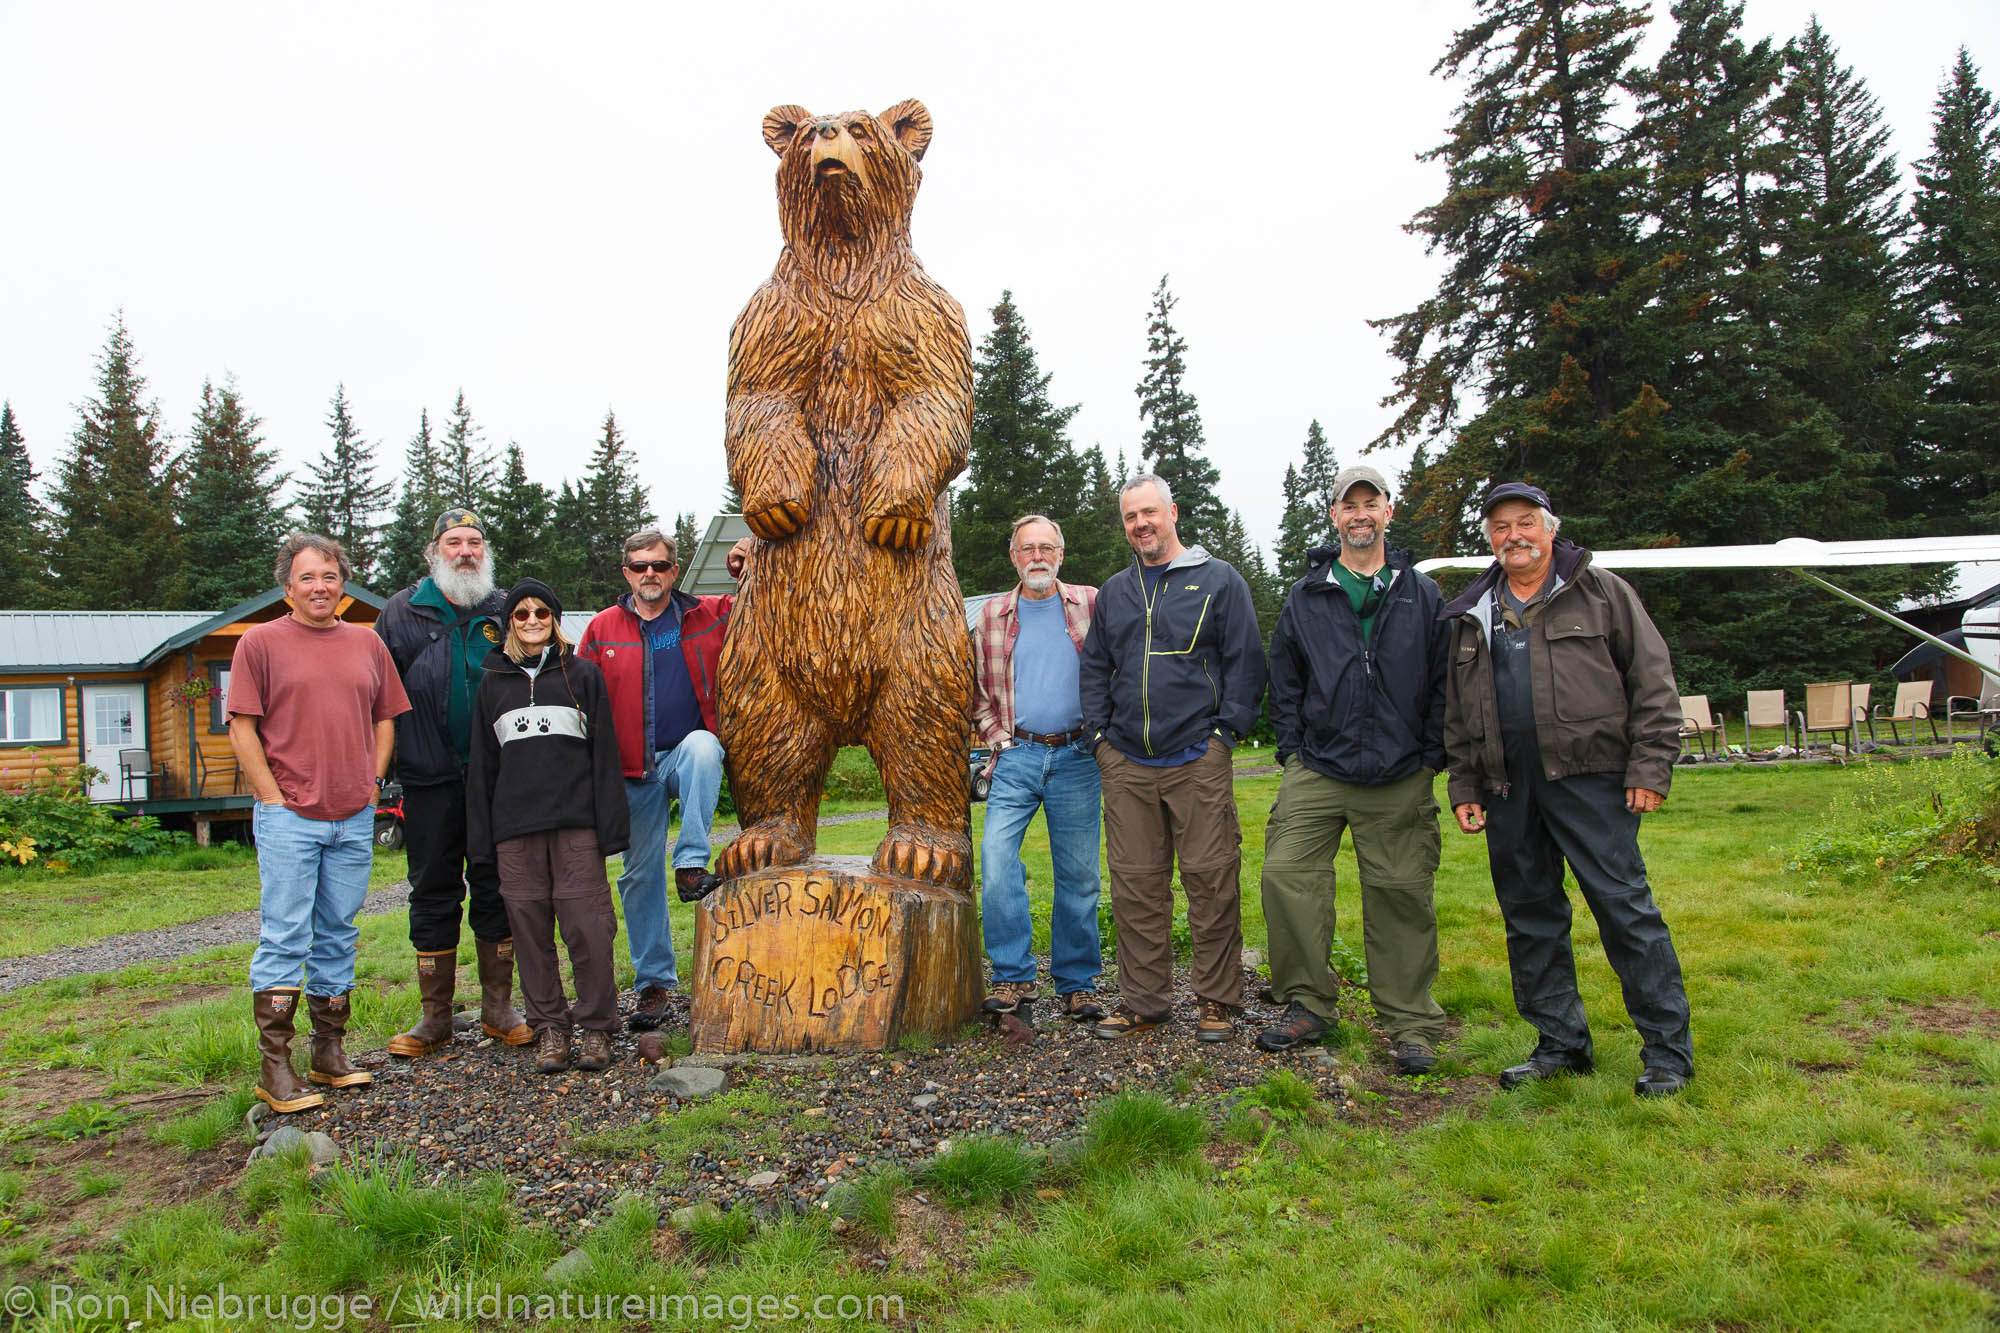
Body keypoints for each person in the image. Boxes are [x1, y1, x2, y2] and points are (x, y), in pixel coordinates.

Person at [1442, 482, 1695, 1097]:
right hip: (1507, 788)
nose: (1514, 536)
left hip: (1593, 783)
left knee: (1626, 912)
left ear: (1551, 528)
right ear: (1491, 540)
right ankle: (1560, 1044)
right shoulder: (1473, 611)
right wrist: (1466, 783)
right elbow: (1458, 708)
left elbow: (1654, 684)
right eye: (1500, 527)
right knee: (1530, 919)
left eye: (1526, 522)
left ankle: (1667, 1053)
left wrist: (1649, 769)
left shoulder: (1603, 592)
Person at [1257, 466, 1451, 1074]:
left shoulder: (1422, 593)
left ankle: (1410, 1022)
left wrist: (1429, 755)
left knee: (1399, 894)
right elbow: (1283, 681)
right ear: (1334, 516)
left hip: (1399, 771)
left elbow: (1446, 679)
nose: (1360, 514)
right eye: (1349, 505)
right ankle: (1308, 1002)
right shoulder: (1306, 595)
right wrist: (1292, 750)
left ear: (1389, 512)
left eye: (1372, 503)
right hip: (1319, 767)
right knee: (1287, 875)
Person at [1078, 475, 1268, 1042]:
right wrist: (1100, 741)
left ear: (1172, 512)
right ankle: (1144, 1002)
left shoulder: (1219, 580)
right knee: (1136, 886)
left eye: (1149, 513)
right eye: (1131, 517)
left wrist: (1224, 735)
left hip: (1196, 758)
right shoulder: (1116, 591)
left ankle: (1217, 1001)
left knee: (1211, 881)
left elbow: (1246, 661)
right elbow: (1094, 667)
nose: (1141, 524)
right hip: (1127, 764)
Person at [229, 532, 410, 1113]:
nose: (320, 587)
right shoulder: (259, 644)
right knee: (285, 934)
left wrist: (372, 783)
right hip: (290, 816)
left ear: (342, 585)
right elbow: (242, 727)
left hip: (352, 814)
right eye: (308, 577)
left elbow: (386, 718)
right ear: (288, 587)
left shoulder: (366, 644)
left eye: (330, 577)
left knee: (338, 931)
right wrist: (269, 796)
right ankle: (274, 1069)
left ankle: (328, 1053)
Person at [375, 506, 530, 1056]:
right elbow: (375, 698)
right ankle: (435, 1016)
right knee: (434, 891)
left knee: (497, 884)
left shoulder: (507, 608)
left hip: (497, 780)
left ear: (485, 551)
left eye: (474, 542)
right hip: (428, 777)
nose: (465, 551)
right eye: (454, 542)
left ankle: (497, 1008)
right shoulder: (401, 613)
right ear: (434, 551)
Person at [576, 529, 743, 1032]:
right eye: (639, 565)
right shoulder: (603, 628)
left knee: (703, 746)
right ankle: (653, 985)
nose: (650, 573)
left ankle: (692, 862)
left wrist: (746, 557)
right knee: (637, 877)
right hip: (630, 769)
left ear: (675, 570)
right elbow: (580, 695)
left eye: (660, 565)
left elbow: (768, 604)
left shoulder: (708, 613)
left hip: (682, 754)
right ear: (626, 573)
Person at [468, 579, 630, 1075]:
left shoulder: (581, 675)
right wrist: (481, 845)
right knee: (531, 931)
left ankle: (598, 1027)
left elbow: (605, 758)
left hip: (576, 825)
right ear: (509, 624)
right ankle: (550, 1028)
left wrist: (612, 829)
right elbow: (482, 770)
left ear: (555, 620)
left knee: (587, 927)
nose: (533, 620)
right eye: (522, 614)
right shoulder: (492, 684)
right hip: (514, 830)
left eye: (542, 611)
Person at [970, 515, 1104, 1022]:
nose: (1037, 557)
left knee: (1080, 876)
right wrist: (995, 735)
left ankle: (1077, 982)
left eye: (1046, 548)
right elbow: (978, 695)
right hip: (1017, 756)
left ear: (1061, 555)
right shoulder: (991, 616)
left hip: (1077, 757)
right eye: (1027, 549)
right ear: (1014, 557)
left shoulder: (1091, 603)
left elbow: (1113, 673)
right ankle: (1013, 976)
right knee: (997, 861)